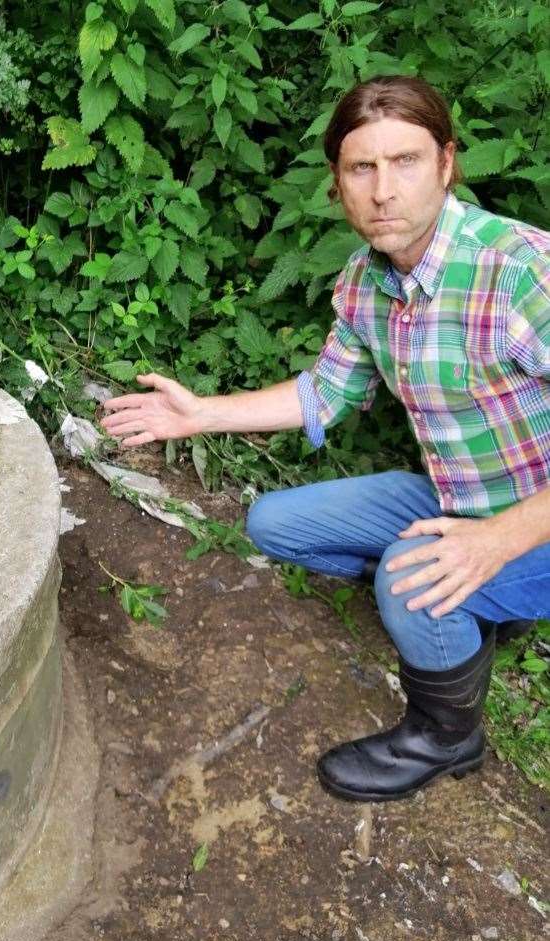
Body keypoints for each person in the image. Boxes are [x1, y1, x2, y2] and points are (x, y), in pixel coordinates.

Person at [98, 75, 550, 803]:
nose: (383, 191)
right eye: (360, 168)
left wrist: (495, 542)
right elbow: (326, 392)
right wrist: (198, 414)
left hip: (536, 522)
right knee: (272, 522)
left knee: (405, 574)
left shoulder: (520, 271)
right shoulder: (367, 281)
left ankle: (448, 735)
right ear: (338, 184)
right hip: (457, 496)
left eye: (404, 161)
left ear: (446, 163)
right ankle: (463, 604)